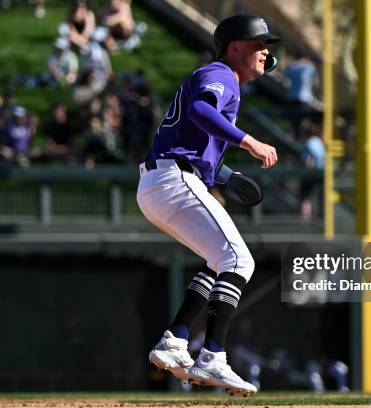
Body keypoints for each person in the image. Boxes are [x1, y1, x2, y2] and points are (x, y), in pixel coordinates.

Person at [140, 15, 280, 397]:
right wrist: (249, 142)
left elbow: (193, 139)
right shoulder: (221, 73)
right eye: (259, 43)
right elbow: (201, 112)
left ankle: (175, 340)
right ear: (236, 47)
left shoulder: (222, 77)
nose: (267, 51)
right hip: (173, 180)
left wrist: (224, 175)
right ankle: (213, 356)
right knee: (240, 261)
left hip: (162, 182)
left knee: (219, 262)